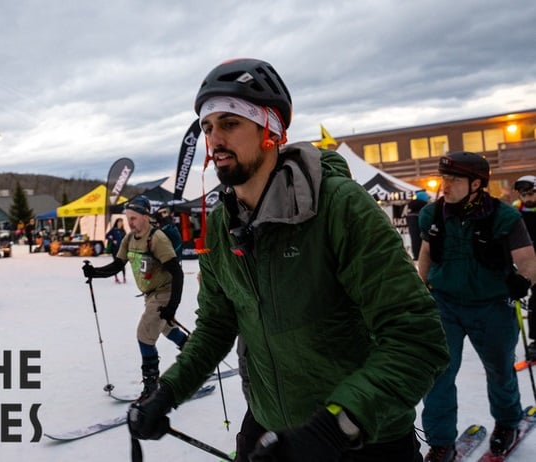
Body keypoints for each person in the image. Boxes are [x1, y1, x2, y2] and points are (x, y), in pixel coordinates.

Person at [126, 58, 449, 462]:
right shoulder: (222, 225)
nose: (214, 139)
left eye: (230, 123)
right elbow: (216, 326)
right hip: (269, 432)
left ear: (271, 130)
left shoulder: (340, 207)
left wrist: (336, 426)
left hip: (362, 437)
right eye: (207, 128)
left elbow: (418, 338)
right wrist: (167, 393)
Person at [418, 152, 536, 461]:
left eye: (453, 180)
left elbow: (527, 259)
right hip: (445, 305)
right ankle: (441, 442)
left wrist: (522, 280)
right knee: (439, 374)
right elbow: (427, 255)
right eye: (444, 179)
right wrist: (420, 290)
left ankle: (508, 423)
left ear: (476, 184)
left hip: (492, 306)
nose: (445, 186)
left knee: (499, 371)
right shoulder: (433, 214)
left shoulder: (505, 216)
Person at [82, 195, 188, 398]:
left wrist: (171, 307)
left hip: (164, 292)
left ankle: (151, 389)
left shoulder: (156, 238)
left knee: (144, 335)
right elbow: (117, 265)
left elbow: (177, 273)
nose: (129, 222)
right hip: (150, 294)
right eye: (127, 218)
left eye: (134, 218)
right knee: (166, 328)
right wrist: (94, 272)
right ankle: (195, 356)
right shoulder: (129, 239)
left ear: (146, 217)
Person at [512, 175, 536, 360]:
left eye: (530, 194)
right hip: (530, 264)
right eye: (523, 194)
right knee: (535, 303)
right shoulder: (516, 212)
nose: (527, 198)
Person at [406, 191, 430, 261]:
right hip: (424, 252)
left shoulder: (411, 206)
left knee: (414, 239)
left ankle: (416, 255)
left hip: (416, 253)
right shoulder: (425, 206)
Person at [105, 217, 127, 283]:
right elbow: (107, 236)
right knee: (115, 264)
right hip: (114, 249)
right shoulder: (113, 230)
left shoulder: (123, 231)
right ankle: (116, 278)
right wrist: (112, 240)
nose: (120, 223)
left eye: (121, 222)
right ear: (117, 223)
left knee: (122, 264)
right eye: (119, 222)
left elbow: (126, 240)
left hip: (122, 250)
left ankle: (124, 277)